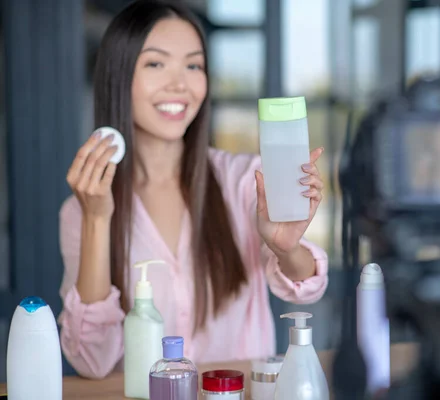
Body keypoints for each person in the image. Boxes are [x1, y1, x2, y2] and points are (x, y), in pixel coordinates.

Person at [57, 0, 328, 380]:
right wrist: (97, 219)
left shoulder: (244, 179)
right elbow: (91, 359)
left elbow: (304, 288)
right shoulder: (79, 212)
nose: (180, 84)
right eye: (155, 63)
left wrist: (288, 248)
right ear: (118, 76)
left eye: (194, 65)